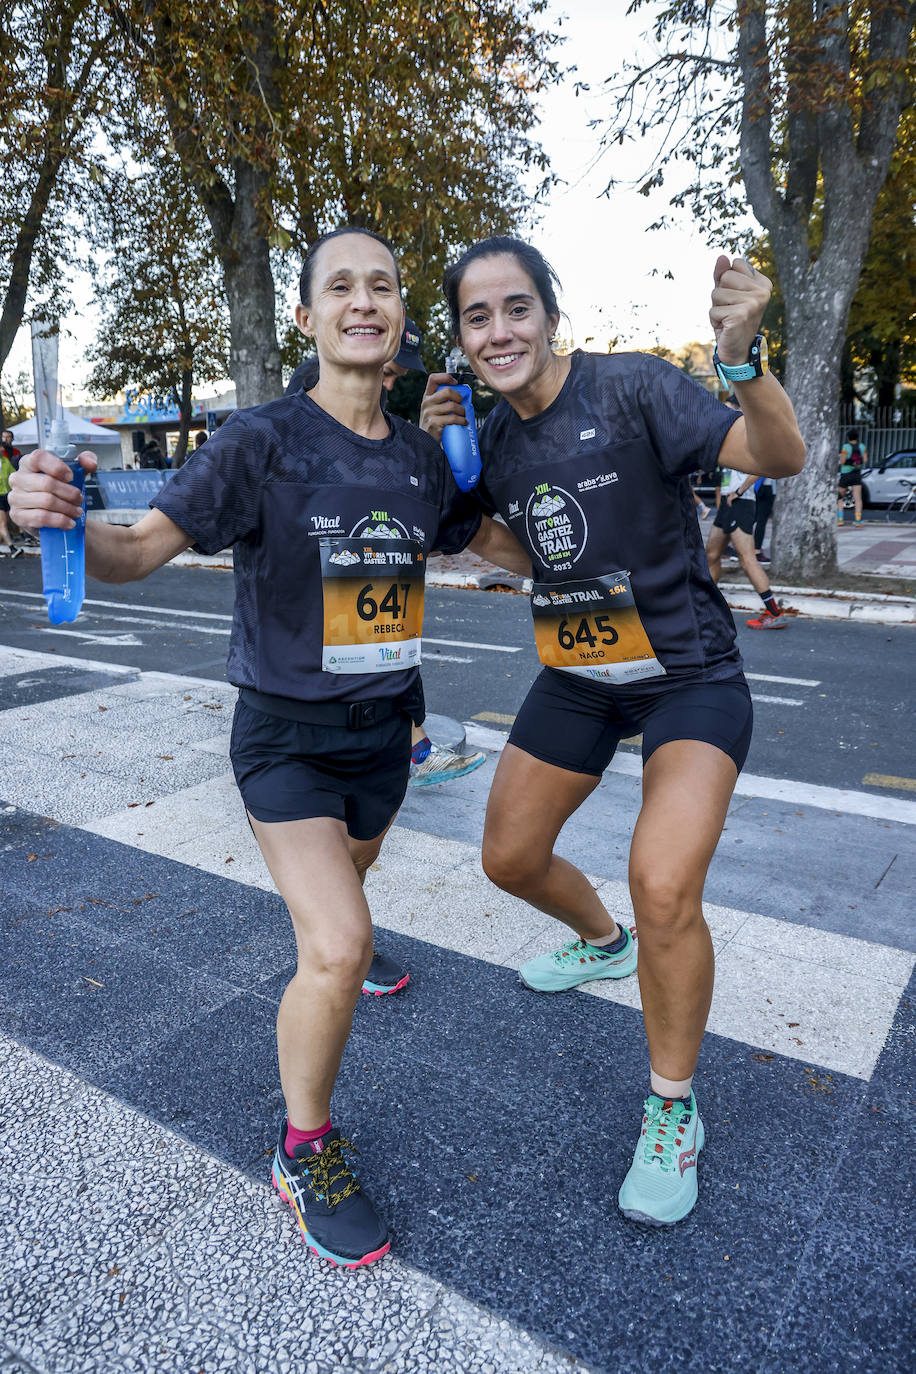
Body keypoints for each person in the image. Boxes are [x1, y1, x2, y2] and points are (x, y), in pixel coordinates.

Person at [10, 225, 529, 1268]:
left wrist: (609, 548)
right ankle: (304, 1146)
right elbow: (137, 549)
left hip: (386, 737)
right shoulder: (258, 440)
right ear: (307, 317)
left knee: (353, 896)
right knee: (332, 946)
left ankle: (349, 930)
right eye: (339, 287)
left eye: (381, 286)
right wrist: (51, 520)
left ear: (399, 321)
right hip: (285, 738)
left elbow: (500, 550)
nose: (363, 302)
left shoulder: (422, 459)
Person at [420, 236, 805, 1226]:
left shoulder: (633, 389)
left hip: (688, 678)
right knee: (506, 857)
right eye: (476, 316)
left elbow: (779, 456)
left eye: (516, 308)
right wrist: (450, 501)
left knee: (665, 883)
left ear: (550, 314)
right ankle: (601, 942)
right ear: (461, 339)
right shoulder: (489, 436)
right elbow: (522, 551)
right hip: (580, 674)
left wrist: (741, 356)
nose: (498, 329)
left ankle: (672, 1108)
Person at [287, 318, 487, 789]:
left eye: (396, 373)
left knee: (393, 657)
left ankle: (415, 753)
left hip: (372, 587)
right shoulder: (308, 394)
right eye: (390, 371)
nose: (390, 383)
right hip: (318, 594)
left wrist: (422, 443)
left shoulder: (388, 427)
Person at [705, 429, 788, 628]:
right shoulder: (728, 437)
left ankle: (774, 612)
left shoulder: (749, 435)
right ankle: (707, 605)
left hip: (740, 503)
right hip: (728, 503)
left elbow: (761, 467)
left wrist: (739, 491)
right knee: (711, 553)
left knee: (747, 559)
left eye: (728, 407)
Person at [837, 427, 866, 525]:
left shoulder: (845, 447)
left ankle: (840, 520)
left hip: (845, 474)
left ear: (848, 437)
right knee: (857, 498)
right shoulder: (862, 447)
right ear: (857, 437)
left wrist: (841, 457)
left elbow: (842, 461)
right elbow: (865, 460)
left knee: (840, 497)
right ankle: (858, 520)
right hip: (856, 474)